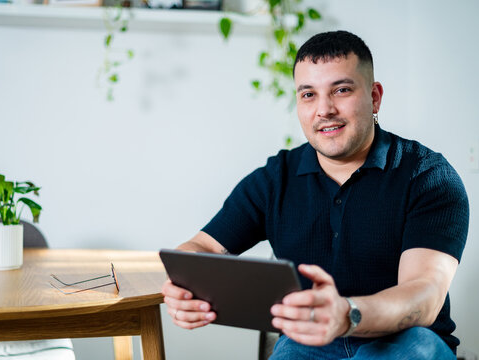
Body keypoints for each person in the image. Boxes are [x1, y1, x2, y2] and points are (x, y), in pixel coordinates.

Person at [161, 30, 469, 359]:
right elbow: (203, 247)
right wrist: (183, 286)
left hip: (407, 342)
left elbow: (424, 296)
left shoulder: (428, 176)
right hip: (307, 344)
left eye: (342, 90)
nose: (324, 109)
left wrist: (346, 313)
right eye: (309, 95)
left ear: (374, 97)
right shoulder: (274, 178)